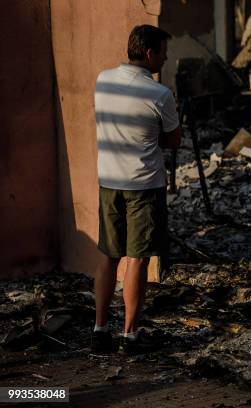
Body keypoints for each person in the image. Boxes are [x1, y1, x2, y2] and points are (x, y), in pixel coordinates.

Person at [91, 25, 181, 354]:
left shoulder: (103, 79)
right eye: (163, 51)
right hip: (143, 185)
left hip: (109, 181)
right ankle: (130, 336)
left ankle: (99, 330)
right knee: (138, 260)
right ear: (149, 54)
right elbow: (173, 141)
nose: (166, 57)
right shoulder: (159, 93)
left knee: (108, 256)